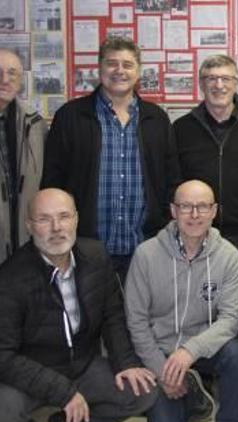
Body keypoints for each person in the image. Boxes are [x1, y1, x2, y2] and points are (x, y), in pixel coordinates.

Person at [0, 189, 157, 422]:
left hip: (81, 365)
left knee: (144, 389)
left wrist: (126, 363)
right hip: (29, 374)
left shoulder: (96, 255)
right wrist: (64, 392)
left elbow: (113, 316)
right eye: (45, 219)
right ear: (30, 225)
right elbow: (3, 356)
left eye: (63, 217)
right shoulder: (10, 278)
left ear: (76, 219)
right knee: (3, 403)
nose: (56, 228)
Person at [125, 180, 238, 422]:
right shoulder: (146, 255)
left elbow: (232, 319)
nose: (194, 214)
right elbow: (136, 321)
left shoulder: (229, 255)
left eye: (202, 206)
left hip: (204, 347)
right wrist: (161, 370)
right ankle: (191, 395)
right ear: (173, 211)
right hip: (162, 352)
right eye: (186, 207)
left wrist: (189, 352)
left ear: (214, 211)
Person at [42, 37, 179, 280]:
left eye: (127, 64)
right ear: (99, 68)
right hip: (85, 248)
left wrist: (162, 225)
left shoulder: (156, 119)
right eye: (111, 63)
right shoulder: (71, 116)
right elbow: (53, 179)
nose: (119, 71)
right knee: (90, 317)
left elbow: (171, 179)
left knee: (139, 318)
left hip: (145, 248)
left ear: (138, 71)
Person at [174, 55, 238, 283]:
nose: (219, 85)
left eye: (226, 78)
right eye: (211, 79)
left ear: (236, 83)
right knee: (199, 305)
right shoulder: (181, 129)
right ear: (201, 85)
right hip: (196, 234)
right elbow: (172, 180)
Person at [0, 48, 47, 264]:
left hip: (24, 242)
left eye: (12, 73)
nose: (5, 80)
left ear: (20, 81)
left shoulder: (35, 124)